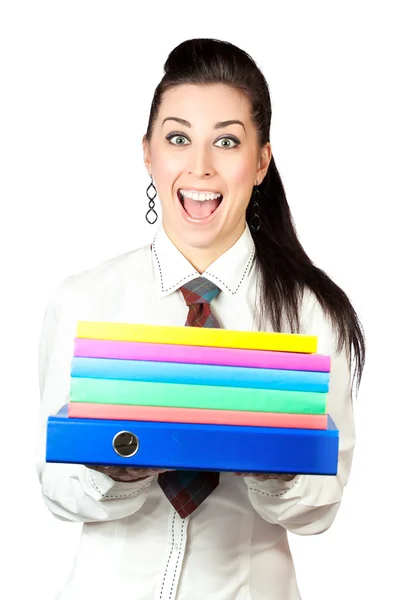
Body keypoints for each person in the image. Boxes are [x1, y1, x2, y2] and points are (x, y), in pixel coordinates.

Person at [36, 38, 365, 600]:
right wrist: (119, 464)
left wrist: (268, 458)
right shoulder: (84, 300)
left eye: (228, 141)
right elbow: (56, 491)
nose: (200, 166)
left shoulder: (313, 313)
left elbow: (318, 511)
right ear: (148, 152)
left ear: (261, 161)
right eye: (179, 138)